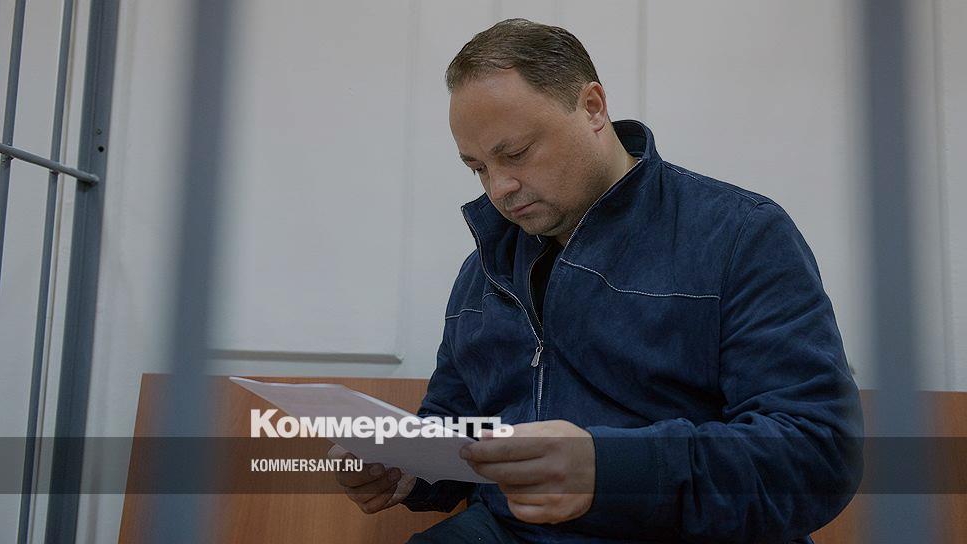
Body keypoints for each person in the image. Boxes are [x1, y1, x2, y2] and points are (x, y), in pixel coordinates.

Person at [331, 18, 863, 543]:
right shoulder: (485, 268)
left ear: (592, 107)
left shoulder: (741, 235)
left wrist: (608, 470)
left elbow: (816, 455)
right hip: (511, 531)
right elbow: (458, 429)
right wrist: (409, 466)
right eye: (478, 167)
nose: (499, 188)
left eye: (515, 154)